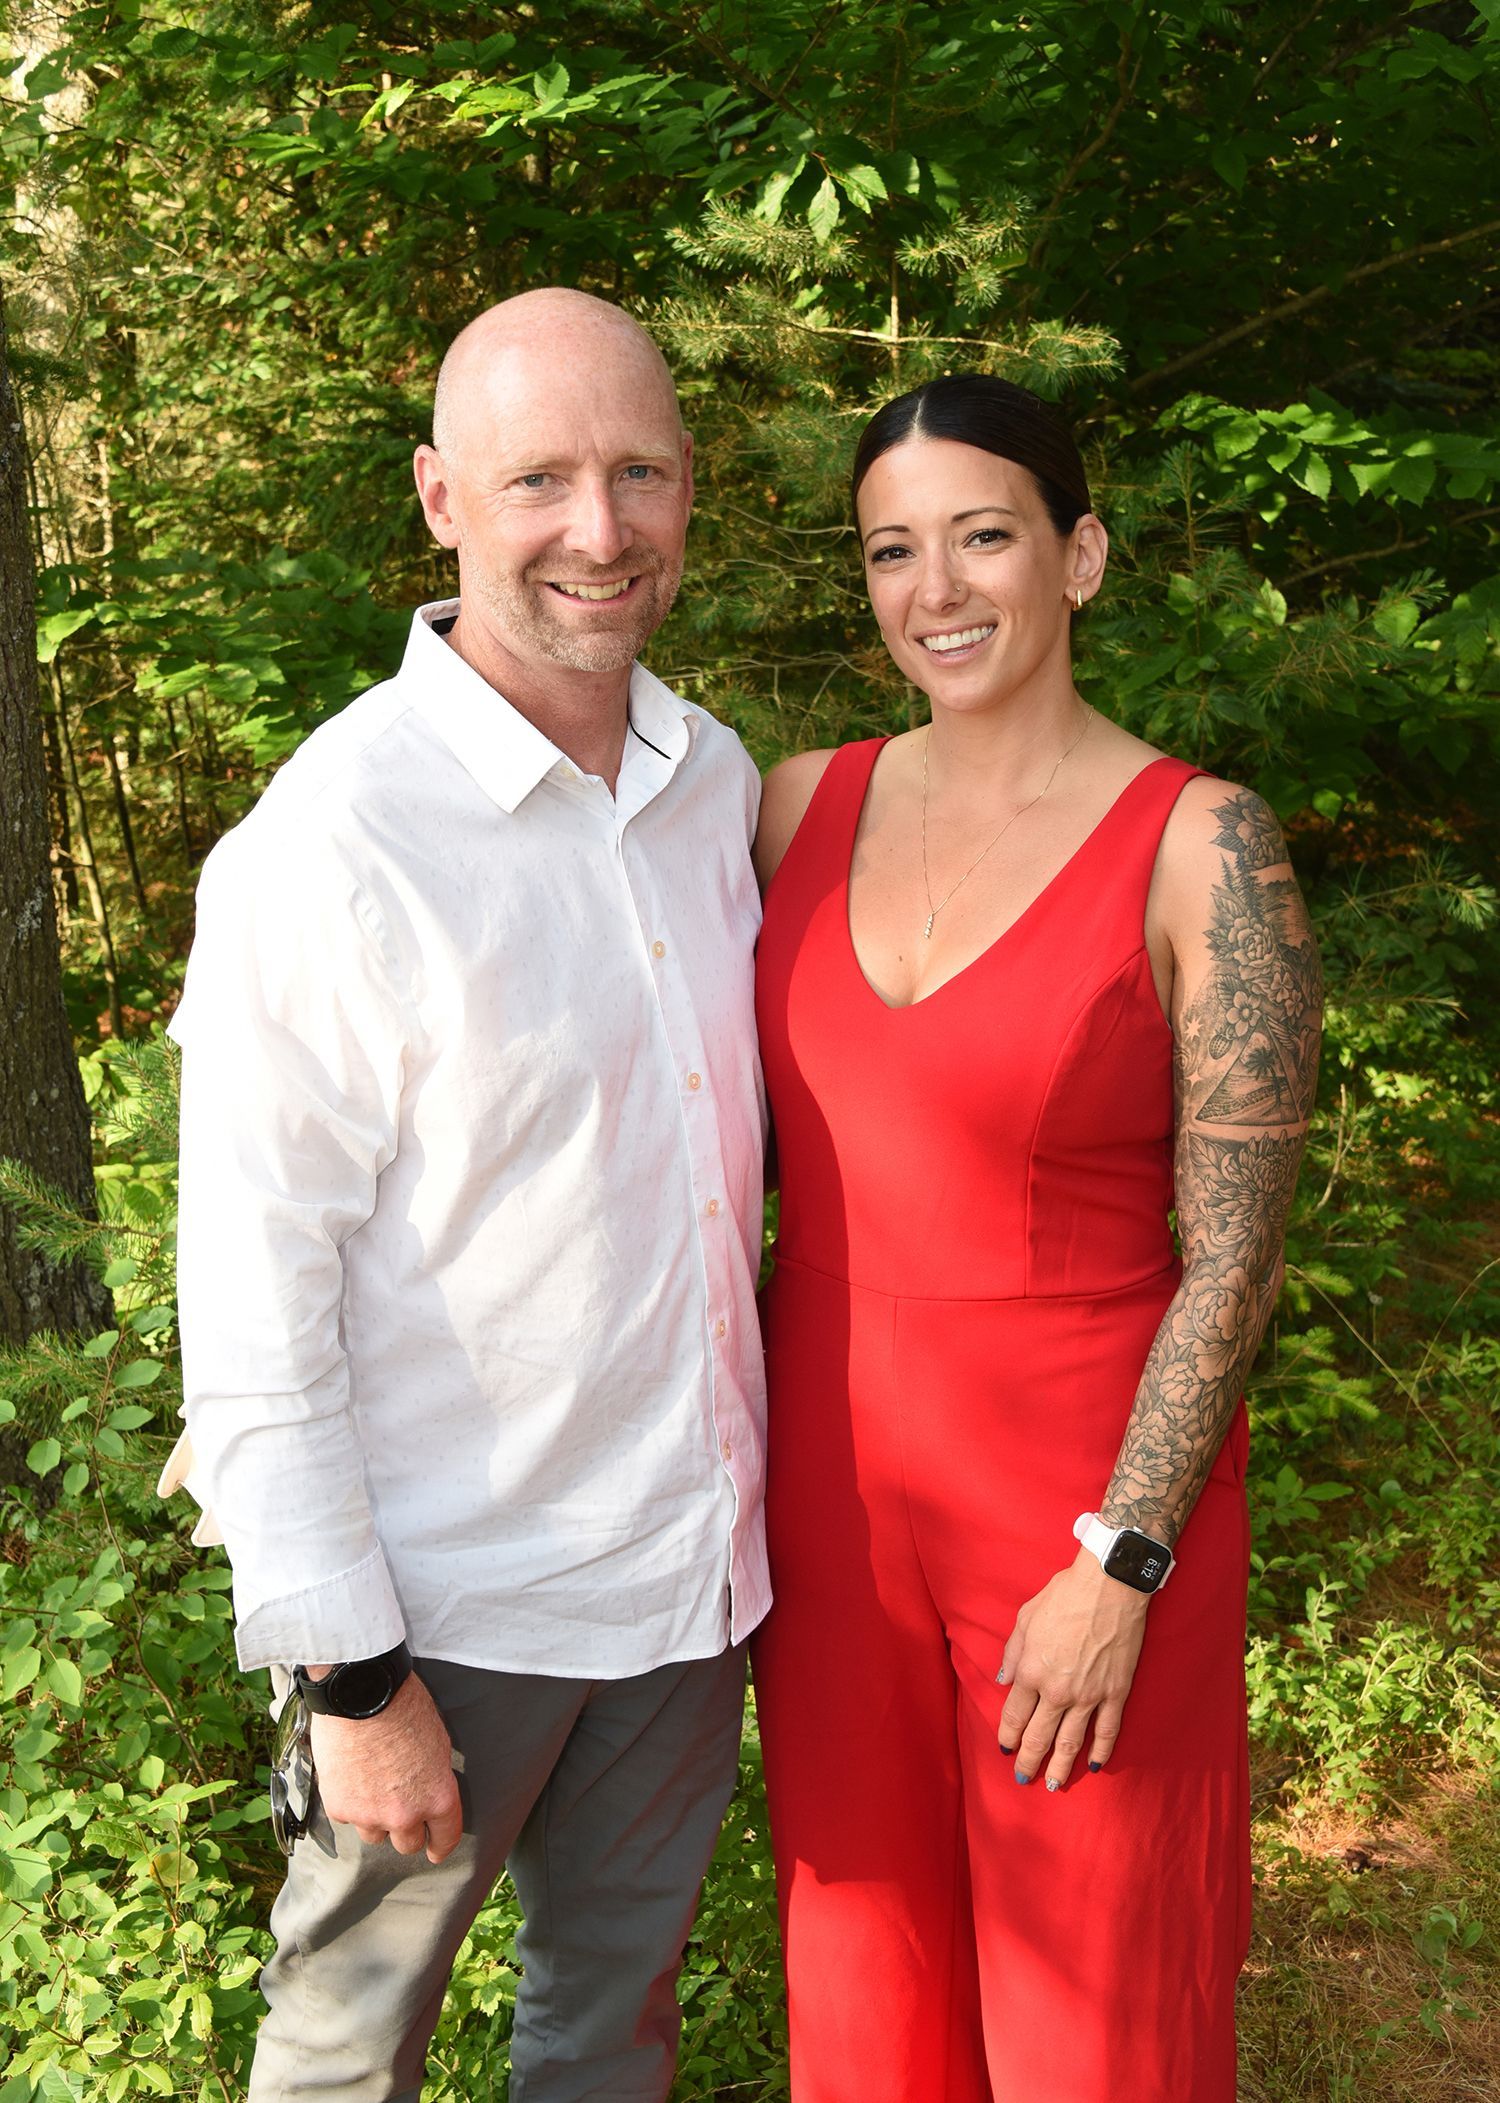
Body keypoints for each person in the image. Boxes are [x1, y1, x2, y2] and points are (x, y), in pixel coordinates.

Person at [164, 288, 768, 2103]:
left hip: (683, 1580)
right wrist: (351, 1680)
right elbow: (254, 1295)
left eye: (639, 472)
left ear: (687, 488)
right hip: (446, 1614)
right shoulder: (330, 846)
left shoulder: (711, 780)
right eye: (540, 481)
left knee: (610, 2034)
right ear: (440, 497)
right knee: (347, 2053)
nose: (600, 529)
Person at [750, 374, 1322, 2102]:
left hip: (1079, 1514)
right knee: (867, 2005)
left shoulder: (1202, 845)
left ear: (1077, 555)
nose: (939, 589)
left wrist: (1123, 1560)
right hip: (827, 1509)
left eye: (984, 535)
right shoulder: (791, 807)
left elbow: (1236, 1256)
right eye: (892, 551)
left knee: (1099, 2032)